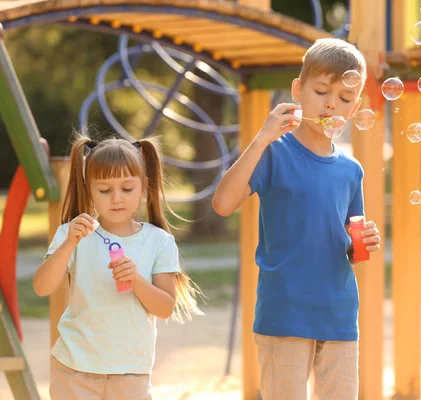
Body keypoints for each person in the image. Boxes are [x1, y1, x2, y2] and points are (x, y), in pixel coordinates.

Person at [212, 38, 382, 400]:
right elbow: (223, 203)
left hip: (338, 318)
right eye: (321, 91)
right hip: (284, 316)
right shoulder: (274, 153)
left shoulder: (352, 170)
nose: (332, 103)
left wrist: (363, 245)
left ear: (355, 109)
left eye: (346, 98)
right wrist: (262, 138)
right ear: (298, 90)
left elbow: (352, 250)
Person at [34, 134, 203, 400]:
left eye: (126, 189)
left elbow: (165, 307)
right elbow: (42, 287)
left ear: (144, 187)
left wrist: (136, 279)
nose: (116, 199)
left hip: (131, 373)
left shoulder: (158, 241)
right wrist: (68, 245)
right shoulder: (72, 234)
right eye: (104, 190)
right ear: (89, 188)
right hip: (73, 370)